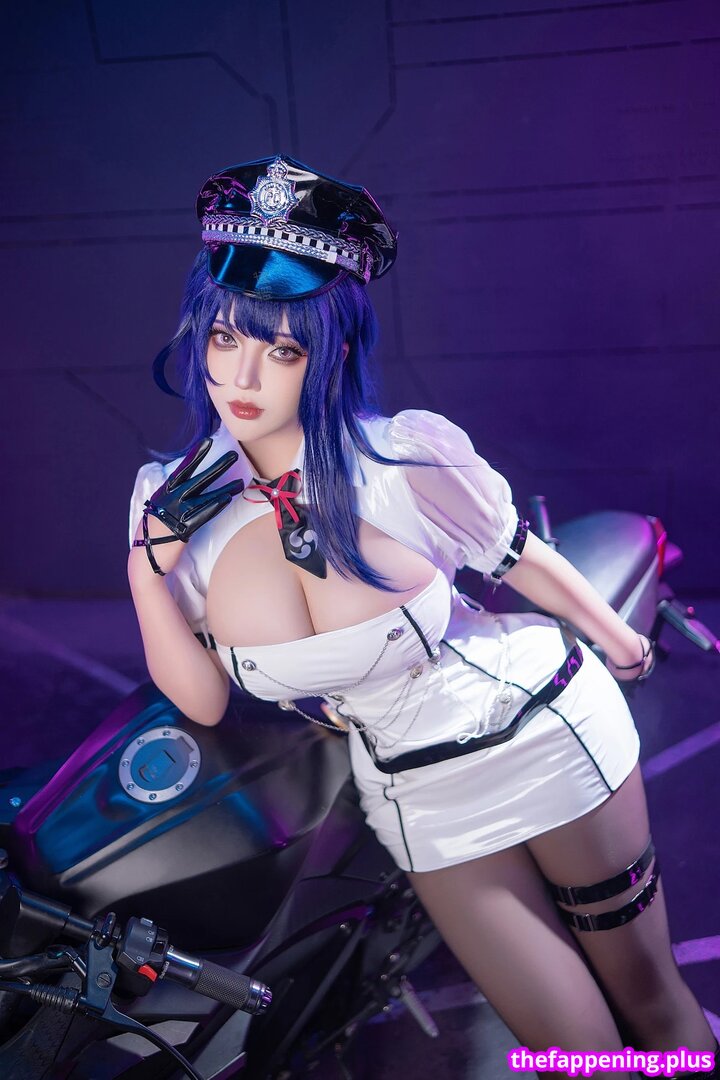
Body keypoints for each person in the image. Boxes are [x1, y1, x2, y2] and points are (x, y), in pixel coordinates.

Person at [128, 155, 716, 1076]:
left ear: (330, 354)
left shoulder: (403, 458)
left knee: (650, 1001)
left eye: (281, 350)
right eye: (225, 338)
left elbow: (520, 555)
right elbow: (200, 700)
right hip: (418, 799)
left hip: (542, 730)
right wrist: (145, 567)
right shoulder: (168, 506)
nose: (241, 375)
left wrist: (622, 642)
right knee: (576, 1052)